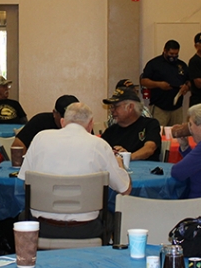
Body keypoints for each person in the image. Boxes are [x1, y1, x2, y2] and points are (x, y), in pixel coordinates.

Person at [19, 102, 131, 239]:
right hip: (87, 229)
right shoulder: (99, 145)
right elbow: (125, 189)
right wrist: (120, 165)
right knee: (110, 216)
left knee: (21, 215)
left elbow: (26, 184)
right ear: (91, 124)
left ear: (62, 122)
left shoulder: (40, 138)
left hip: (41, 227)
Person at [101, 87, 161, 161]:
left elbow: (149, 149)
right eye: (111, 107)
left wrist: (127, 157)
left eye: (115, 106)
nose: (112, 110)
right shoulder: (111, 130)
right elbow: (99, 150)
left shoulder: (150, 124)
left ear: (130, 107)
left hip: (146, 169)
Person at [140, 40, 190, 128]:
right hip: (159, 106)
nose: (173, 56)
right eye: (171, 53)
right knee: (158, 132)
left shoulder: (181, 65)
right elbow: (144, 81)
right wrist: (159, 84)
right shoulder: (154, 64)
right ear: (165, 50)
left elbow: (188, 81)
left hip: (177, 107)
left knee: (177, 133)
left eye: (176, 54)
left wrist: (186, 87)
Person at [12, 94, 79, 156]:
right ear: (54, 113)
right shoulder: (40, 121)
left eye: (73, 116)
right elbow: (17, 145)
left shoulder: (84, 123)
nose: (67, 120)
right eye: (64, 116)